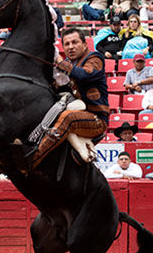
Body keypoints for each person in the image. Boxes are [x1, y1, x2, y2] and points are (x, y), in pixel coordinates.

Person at [31, 28, 108, 168]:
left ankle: (34, 158)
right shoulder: (68, 65)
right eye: (66, 44)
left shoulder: (95, 58)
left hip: (96, 119)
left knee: (68, 117)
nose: (70, 47)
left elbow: (85, 75)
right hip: (78, 114)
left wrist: (60, 63)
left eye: (74, 42)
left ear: (85, 44)